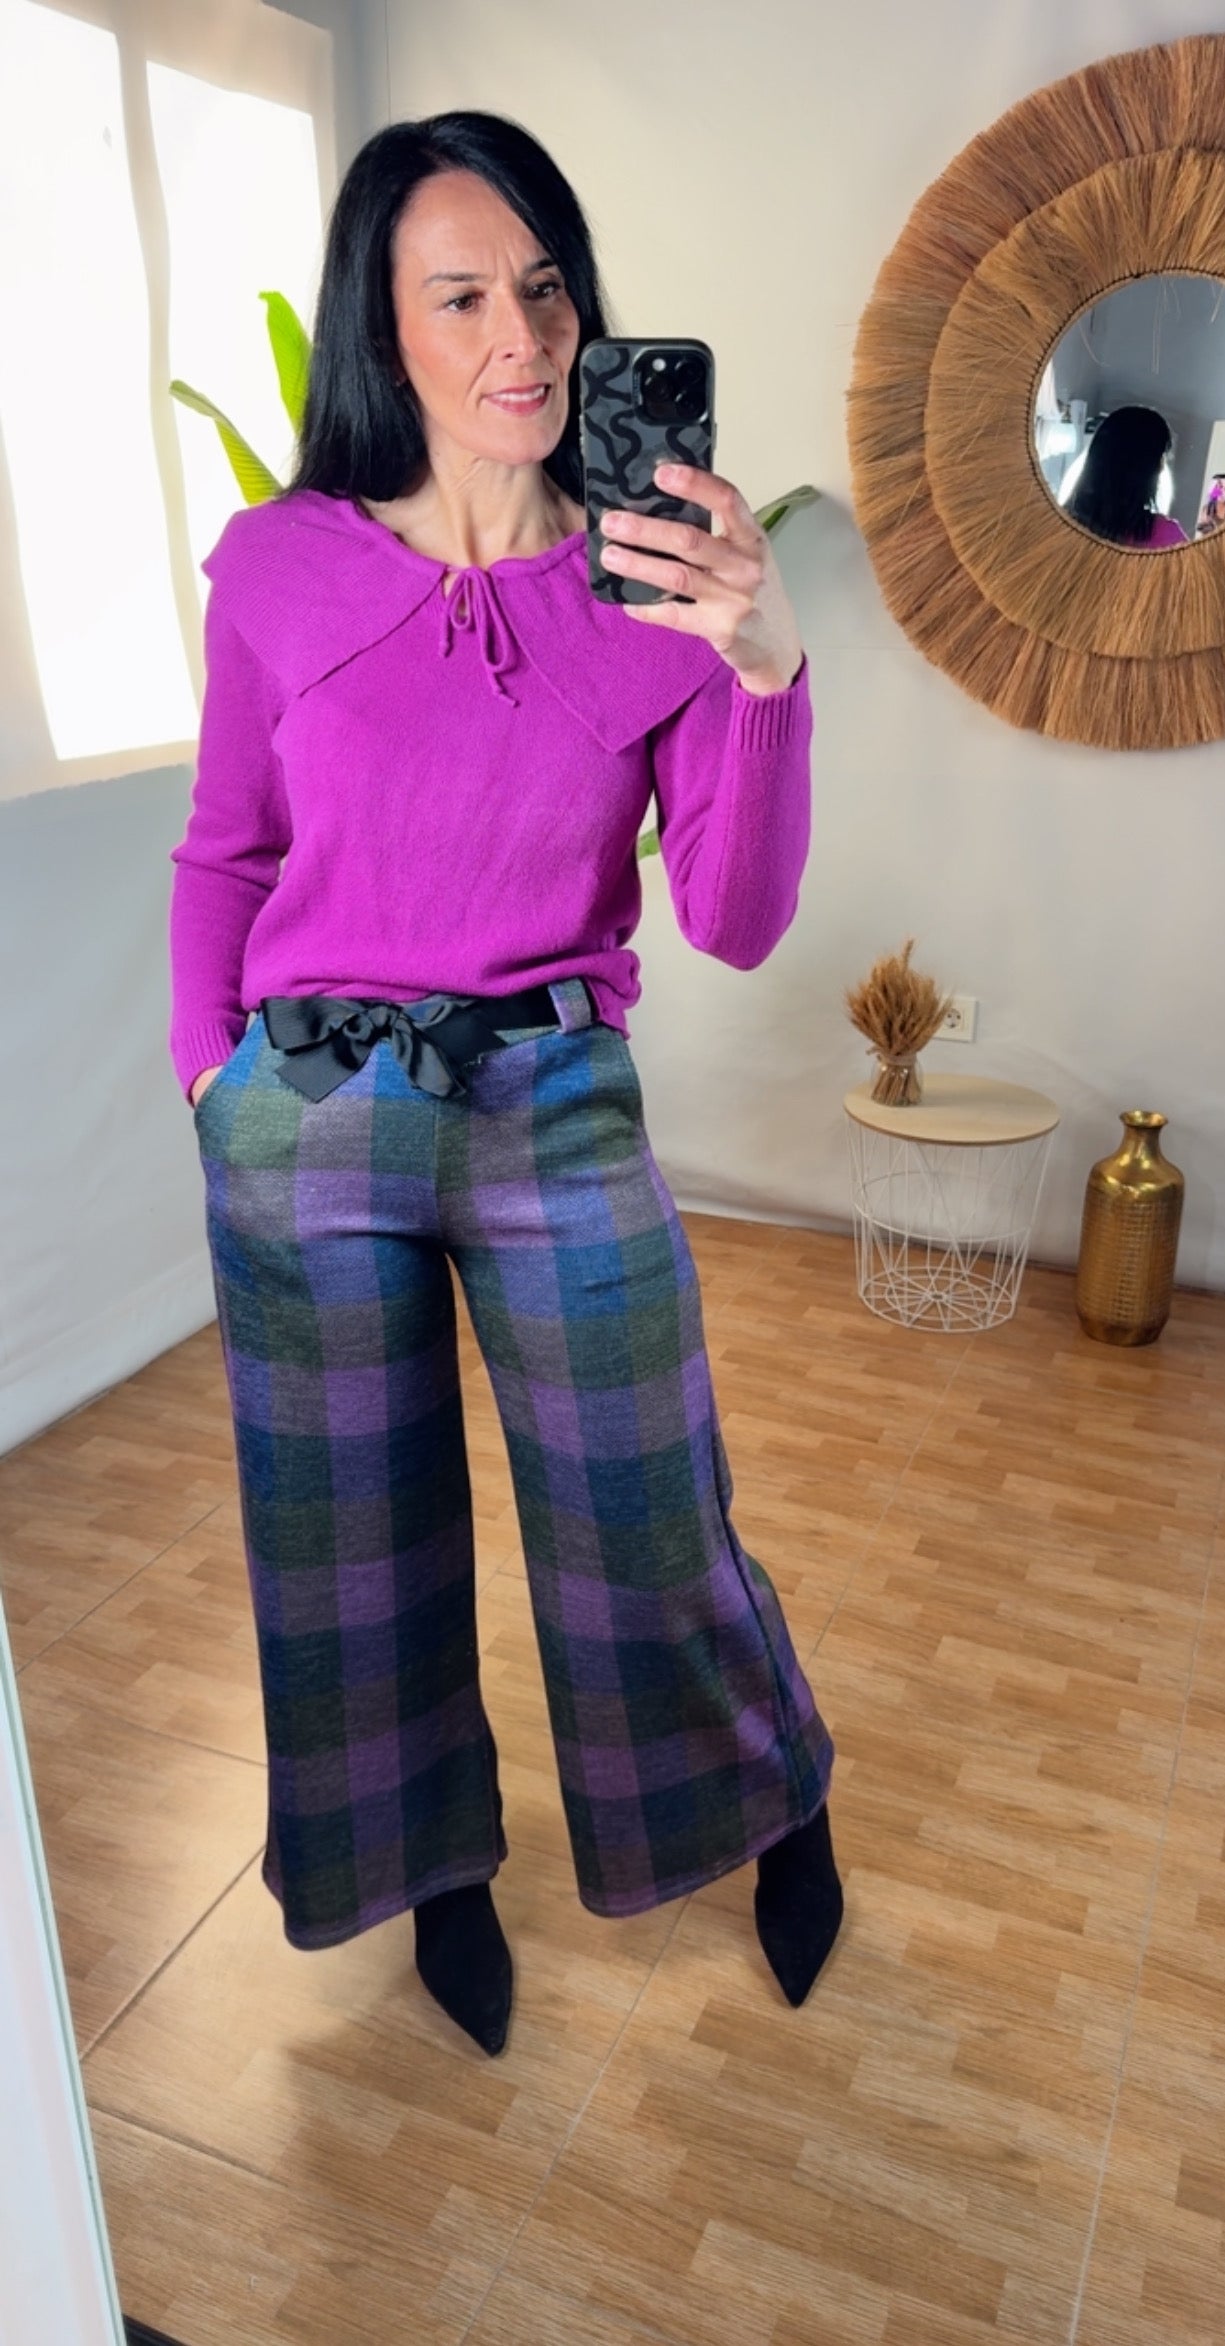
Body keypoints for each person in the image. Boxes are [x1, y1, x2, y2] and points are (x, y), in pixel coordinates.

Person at [167, 111, 841, 2058]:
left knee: (647, 1516)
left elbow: (733, 918)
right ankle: (436, 1874)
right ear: (383, 327)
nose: (521, 339)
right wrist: (211, 1077)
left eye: (543, 289)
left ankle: (771, 1794)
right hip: (309, 1113)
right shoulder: (280, 568)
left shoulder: (660, 581)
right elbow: (227, 847)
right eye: (460, 297)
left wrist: (766, 666)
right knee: (349, 1552)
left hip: (555, 1096)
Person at [1065, 405, 1189, 548]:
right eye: (1161, 458)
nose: (1162, 467)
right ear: (1148, 469)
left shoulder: (1057, 523)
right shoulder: (1167, 539)